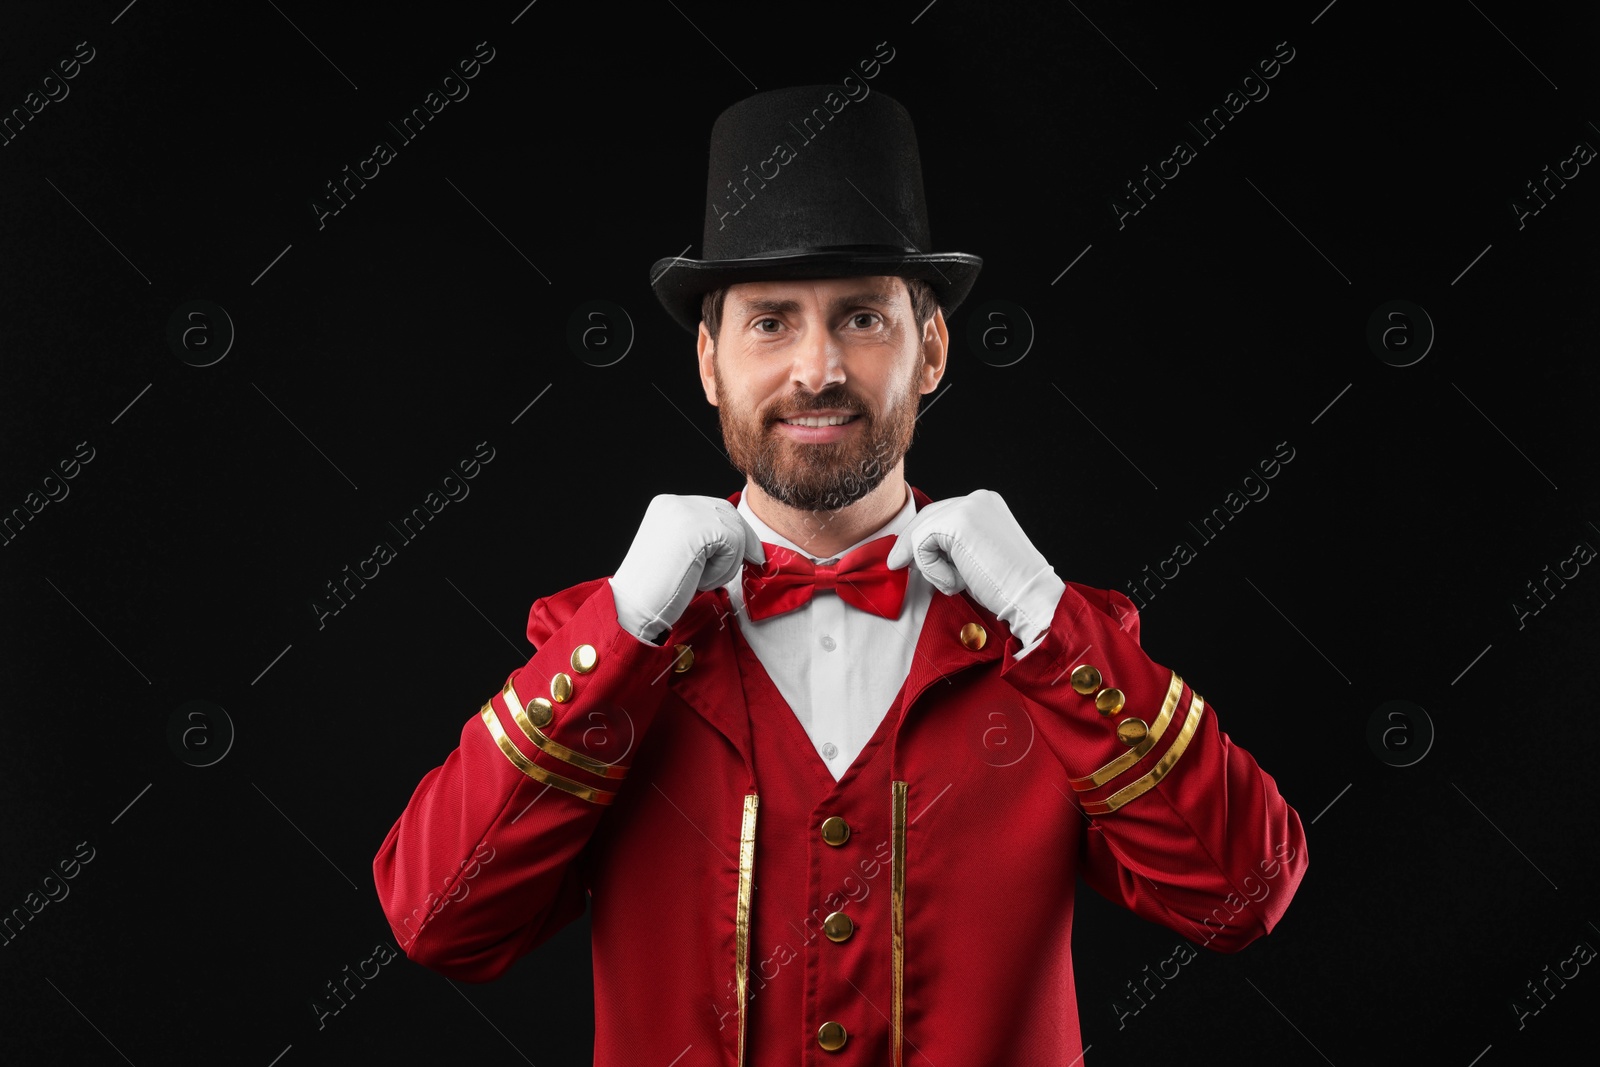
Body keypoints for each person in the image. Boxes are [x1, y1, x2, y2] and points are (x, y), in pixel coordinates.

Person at [373, 84, 1307, 1066]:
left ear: (932, 347)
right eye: (770, 322)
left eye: (862, 317)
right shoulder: (598, 649)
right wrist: (622, 624)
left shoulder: (1056, 648)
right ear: (708, 361)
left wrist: (1042, 606)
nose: (817, 368)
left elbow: (1242, 893)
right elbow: (440, 919)